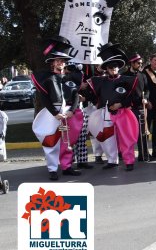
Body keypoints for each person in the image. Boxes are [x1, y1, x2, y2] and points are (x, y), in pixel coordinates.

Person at [31, 36, 84, 180]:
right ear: (53, 62)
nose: (61, 63)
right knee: (52, 141)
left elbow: (75, 97)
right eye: (58, 61)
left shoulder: (70, 79)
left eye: (63, 61)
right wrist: (55, 113)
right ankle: (52, 169)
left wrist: (72, 111)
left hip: (68, 114)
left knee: (67, 141)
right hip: (52, 114)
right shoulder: (47, 79)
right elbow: (44, 98)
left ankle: (67, 166)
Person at [86, 43, 139, 171]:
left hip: (123, 113)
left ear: (118, 67)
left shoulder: (127, 80)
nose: (113, 68)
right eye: (110, 67)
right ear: (106, 69)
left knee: (125, 137)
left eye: (115, 66)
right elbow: (92, 94)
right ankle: (112, 160)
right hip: (107, 114)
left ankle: (129, 160)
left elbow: (134, 97)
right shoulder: (100, 81)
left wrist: (121, 104)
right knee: (108, 138)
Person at [122, 53, 151, 162]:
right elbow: (122, 93)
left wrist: (146, 98)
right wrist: (126, 105)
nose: (140, 65)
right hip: (129, 109)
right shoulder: (124, 75)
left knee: (142, 133)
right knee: (129, 134)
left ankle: (143, 155)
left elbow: (147, 89)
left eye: (141, 63)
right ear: (132, 63)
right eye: (138, 63)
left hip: (140, 108)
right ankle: (127, 157)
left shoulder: (142, 75)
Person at [65, 63, 93, 170]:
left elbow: (88, 91)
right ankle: (68, 160)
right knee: (70, 136)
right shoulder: (63, 77)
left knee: (81, 135)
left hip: (80, 108)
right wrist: (78, 87)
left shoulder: (83, 73)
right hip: (68, 109)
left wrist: (84, 95)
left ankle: (82, 160)